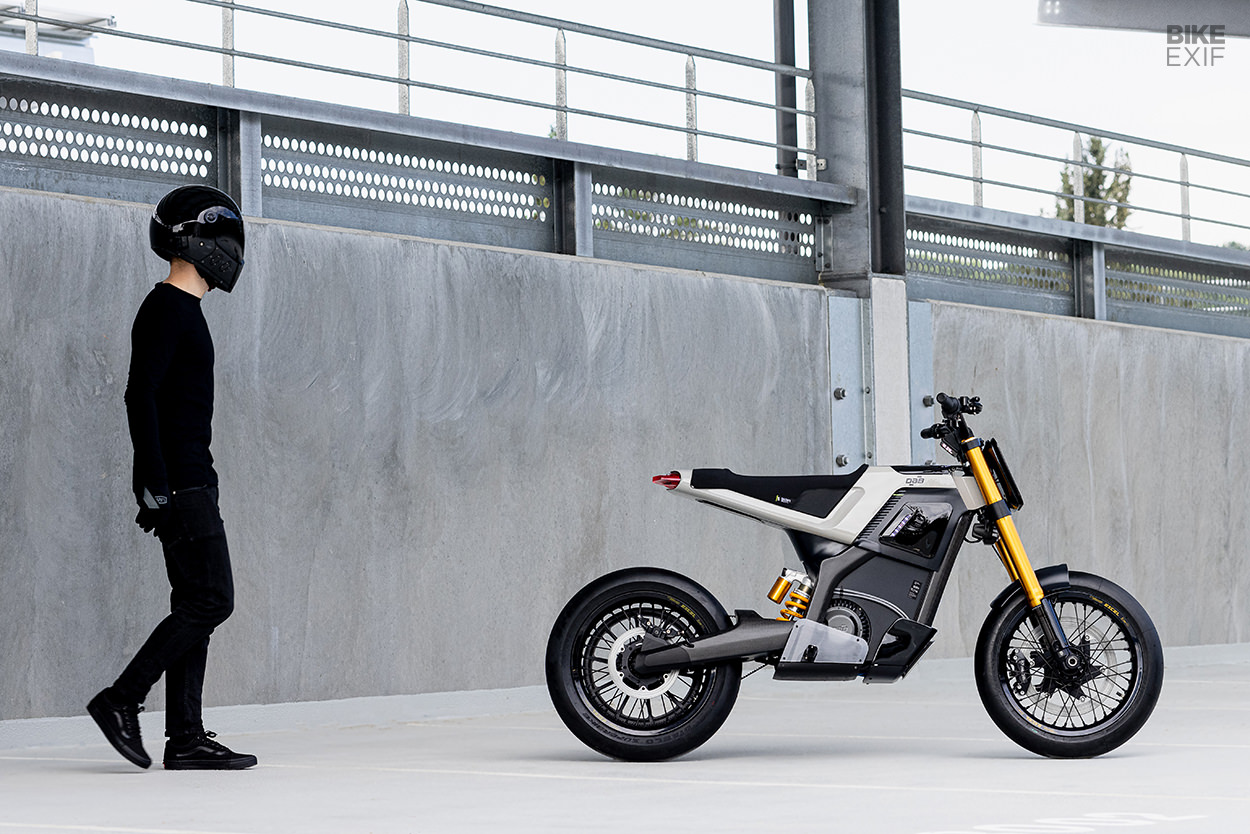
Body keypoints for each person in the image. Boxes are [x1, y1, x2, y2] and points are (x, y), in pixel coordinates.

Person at [87, 185, 256, 771]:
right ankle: (120, 700)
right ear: (195, 241)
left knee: (195, 603)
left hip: (192, 480)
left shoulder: (185, 311)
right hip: (181, 483)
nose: (234, 253)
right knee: (213, 599)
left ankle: (184, 738)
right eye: (227, 240)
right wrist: (153, 484)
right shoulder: (164, 307)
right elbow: (141, 395)